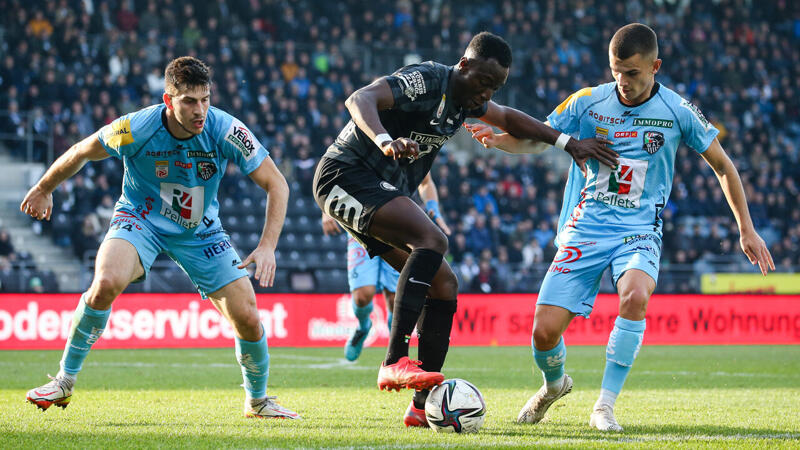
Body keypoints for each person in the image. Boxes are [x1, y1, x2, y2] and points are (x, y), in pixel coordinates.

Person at [465, 23, 775, 432]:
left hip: (639, 230)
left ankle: (605, 406)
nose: (623, 82)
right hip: (587, 226)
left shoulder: (678, 111)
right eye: (616, 71)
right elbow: (540, 138)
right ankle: (554, 386)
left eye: (632, 72)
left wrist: (746, 229)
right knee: (542, 332)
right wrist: (500, 139)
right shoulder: (588, 102)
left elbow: (723, 166)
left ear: (655, 67)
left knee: (634, 297)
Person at [312, 31, 617, 426]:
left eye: (495, 87)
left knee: (444, 284)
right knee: (433, 239)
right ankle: (393, 361)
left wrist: (567, 143)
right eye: (483, 82)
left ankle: (421, 408)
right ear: (464, 65)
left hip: (377, 187)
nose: (485, 94)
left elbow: (509, 119)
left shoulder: (466, 102)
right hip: (344, 175)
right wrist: (385, 140)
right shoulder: (427, 80)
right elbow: (360, 99)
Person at [20, 56, 299, 419]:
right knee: (105, 282)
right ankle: (63, 382)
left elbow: (277, 183)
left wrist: (267, 246)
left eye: (206, 99)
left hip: (200, 230)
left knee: (247, 314)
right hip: (141, 220)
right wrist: (44, 188)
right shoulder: (135, 128)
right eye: (189, 101)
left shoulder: (225, 129)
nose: (200, 110)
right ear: (168, 100)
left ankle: (258, 402)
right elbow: (81, 151)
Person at [321, 173, 450, 370]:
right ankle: (364, 326)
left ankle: (395, 355)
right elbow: (337, 171)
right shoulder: (368, 144)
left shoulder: (414, 148)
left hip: (399, 229)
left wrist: (433, 208)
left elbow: (426, 181)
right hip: (361, 224)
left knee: (394, 297)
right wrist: (327, 209)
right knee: (363, 296)